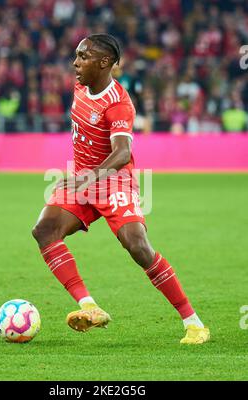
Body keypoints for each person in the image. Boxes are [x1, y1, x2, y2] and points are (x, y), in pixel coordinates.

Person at [32, 34, 210, 344]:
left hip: (113, 180)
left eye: (82, 57)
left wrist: (91, 178)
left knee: (137, 246)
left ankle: (194, 323)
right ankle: (89, 306)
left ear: (104, 64)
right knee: (44, 230)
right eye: (76, 55)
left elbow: (123, 153)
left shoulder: (119, 104)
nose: (75, 63)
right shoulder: (80, 86)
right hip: (83, 179)